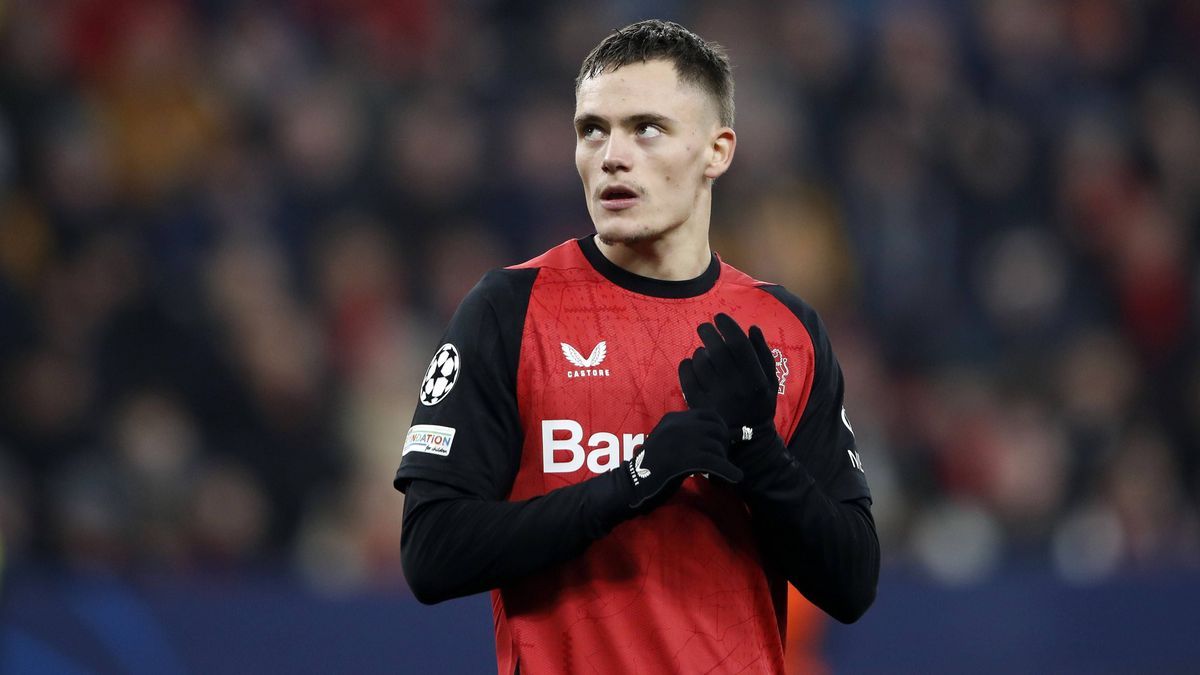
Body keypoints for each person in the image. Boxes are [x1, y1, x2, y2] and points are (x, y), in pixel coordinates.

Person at [394, 19, 879, 674]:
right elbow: (431, 552)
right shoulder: (509, 310)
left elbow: (852, 583)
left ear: (717, 151)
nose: (611, 155)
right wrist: (634, 479)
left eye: (645, 127)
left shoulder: (784, 330)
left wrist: (759, 455)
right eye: (592, 129)